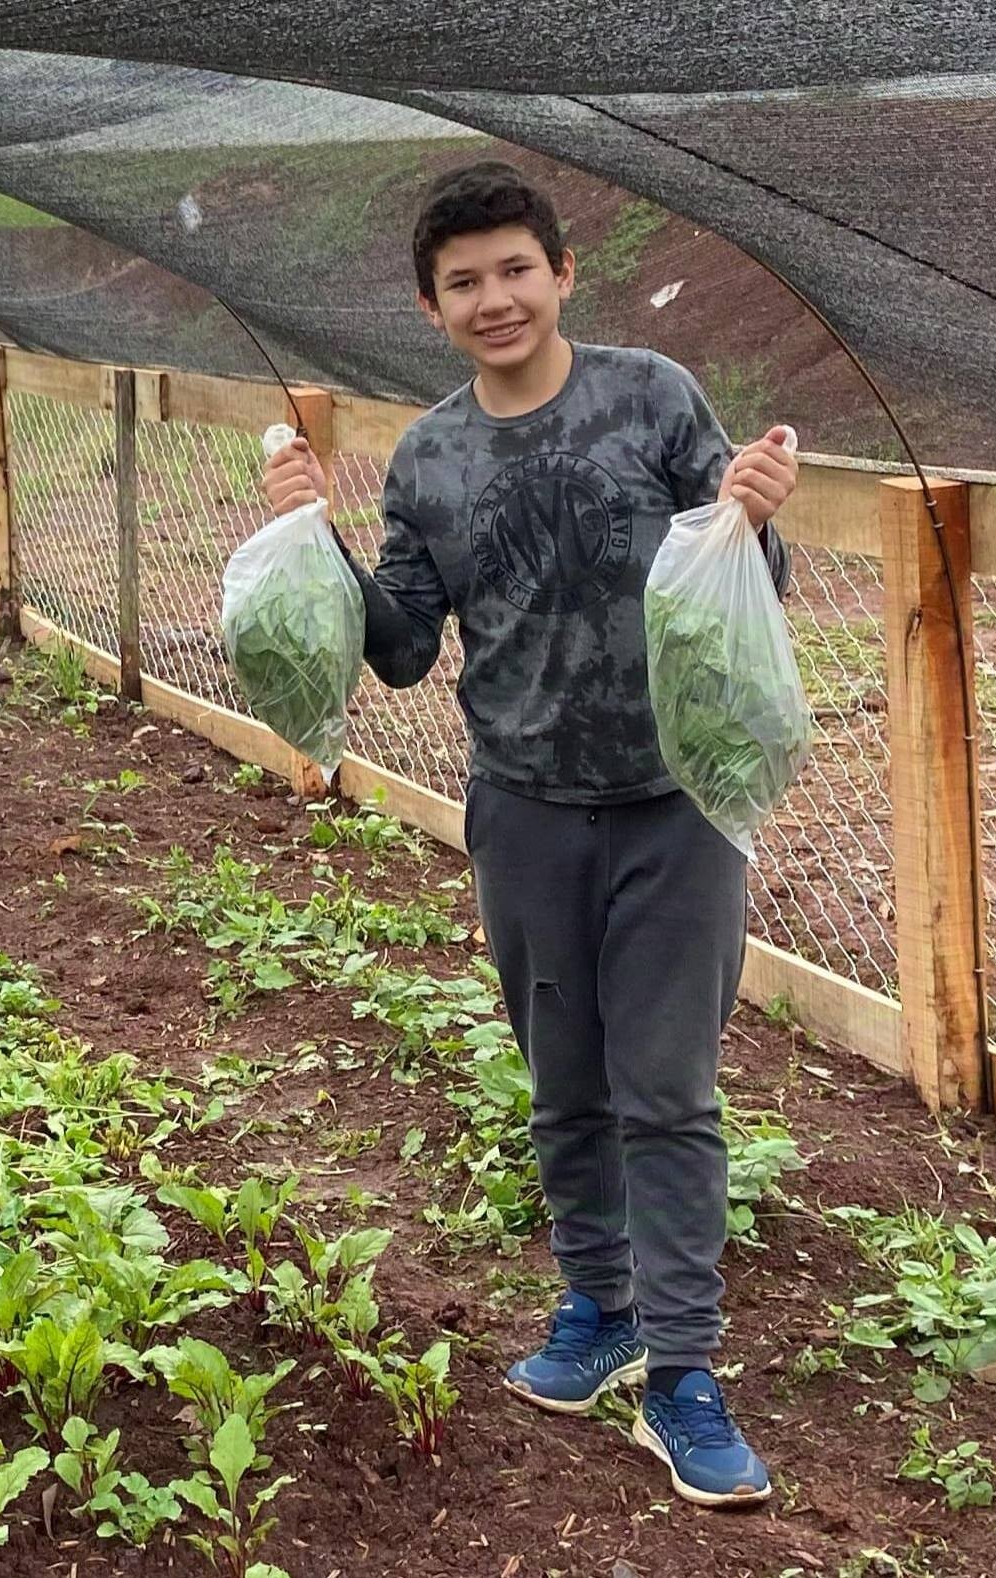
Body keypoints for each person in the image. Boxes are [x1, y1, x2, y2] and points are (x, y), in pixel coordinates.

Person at [261, 160, 799, 1509]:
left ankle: (682, 1369)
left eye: (515, 268)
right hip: (522, 809)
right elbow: (396, 650)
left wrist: (756, 512)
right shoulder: (433, 456)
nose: (494, 297)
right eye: (464, 282)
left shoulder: (653, 396)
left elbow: (746, 585)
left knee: (665, 1091)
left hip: (674, 805)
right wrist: (308, 541)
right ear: (432, 309)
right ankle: (597, 1307)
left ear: (563, 274)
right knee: (564, 1081)